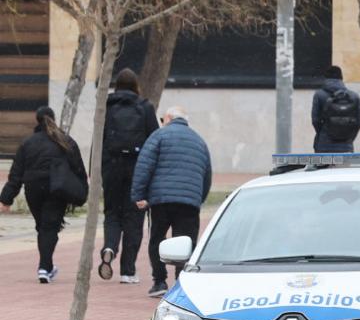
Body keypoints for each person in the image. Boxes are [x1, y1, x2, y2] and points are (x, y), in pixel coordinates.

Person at [0, 106, 88, 283]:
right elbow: (78, 168)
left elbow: (16, 174)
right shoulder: (65, 141)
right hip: (57, 190)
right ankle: (44, 267)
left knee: (43, 227)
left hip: (33, 190)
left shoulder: (28, 143)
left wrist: (6, 198)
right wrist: (81, 191)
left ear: (36, 120)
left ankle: (46, 267)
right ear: (53, 119)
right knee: (49, 228)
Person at [132, 105, 212, 298]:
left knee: (158, 239)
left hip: (161, 200)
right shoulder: (199, 141)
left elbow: (145, 165)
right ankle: (181, 282)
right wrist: (198, 199)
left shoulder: (159, 136)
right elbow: (207, 174)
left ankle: (159, 281)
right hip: (189, 202)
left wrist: (138, 195)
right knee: (186, 242)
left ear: (167, 118)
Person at [99, 69, 158, 284]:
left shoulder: (106, 107)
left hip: (111, 168)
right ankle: (128, 270)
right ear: (136, 86)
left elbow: (100, 140)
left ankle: (109, 247)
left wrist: (96, 170)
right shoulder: (145, 108)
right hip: (137, 169)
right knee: (134, 216)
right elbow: (154, 142)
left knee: (112, 213)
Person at [311, 66, 360, 153]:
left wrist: (323, 133)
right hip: (346, 145)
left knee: (323, 167)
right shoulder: (354, 96)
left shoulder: (319, 95)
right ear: (341, 78)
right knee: (344, 166)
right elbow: (358, 123)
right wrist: (348, 137)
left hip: (324, 145)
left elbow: (315, 120)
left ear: (325, 78)